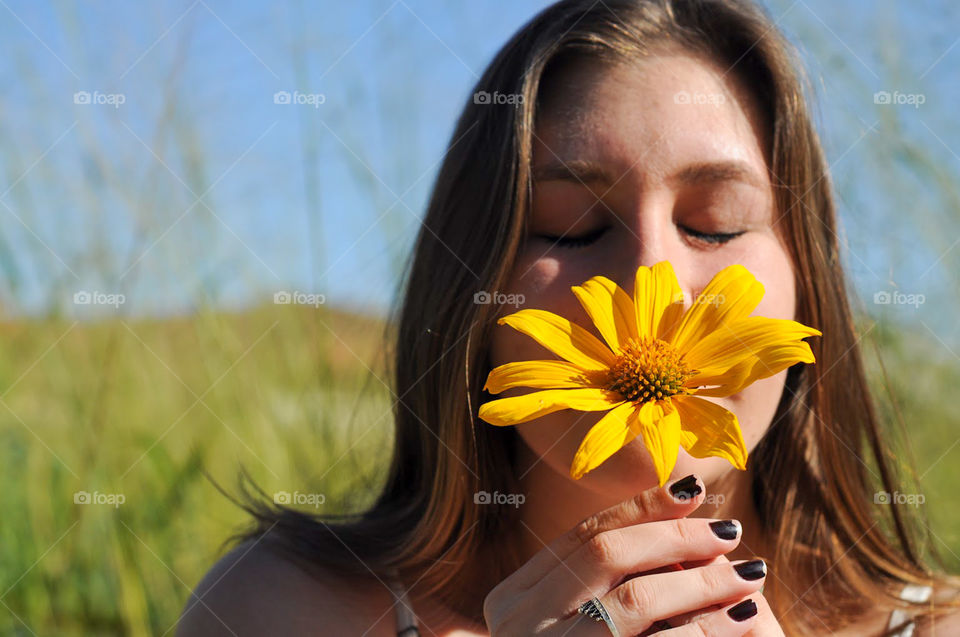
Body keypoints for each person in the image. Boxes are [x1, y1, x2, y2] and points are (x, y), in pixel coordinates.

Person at [177, 0, 960, 634]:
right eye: (571, 226)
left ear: (807, 285)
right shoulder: (285, 610)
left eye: (715, 224)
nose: (650, 277)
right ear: (475, 293)